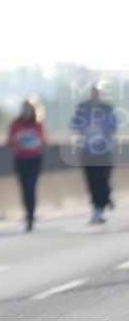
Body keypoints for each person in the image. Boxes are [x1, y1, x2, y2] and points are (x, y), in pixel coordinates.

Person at [70, 82, 117, 224]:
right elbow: (73, 124)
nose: (95, 95)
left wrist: (104, 133)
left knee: (103, 180)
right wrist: (84, 129)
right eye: (92, 92)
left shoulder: (107, 108)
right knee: (91, 181)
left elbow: (113, 126)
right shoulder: (82, 107)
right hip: (87, 151)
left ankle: (104, 201)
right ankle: (98, 207)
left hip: (103, 151)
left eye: (97, 92)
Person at [6, 96, 47, 231]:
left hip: (34, 159)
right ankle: (28, 213)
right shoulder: (16, 123)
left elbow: (43, 141)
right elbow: (8, 141)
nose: (27, 110)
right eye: (25, 108)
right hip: (20, 159)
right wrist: (17, 140)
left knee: (31, 187)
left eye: (29, 108)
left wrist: (36, 142)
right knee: (24, 189)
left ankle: (30, 215)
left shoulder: (38, 124)